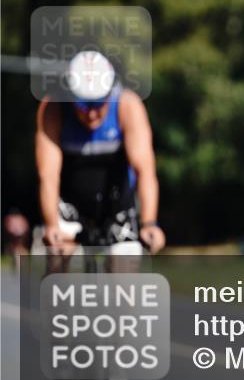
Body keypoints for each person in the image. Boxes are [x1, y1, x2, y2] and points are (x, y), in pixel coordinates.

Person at [35, 51, 165, 258]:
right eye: (83, 106)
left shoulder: (127, 105)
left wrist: (149, 223)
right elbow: (48, 176)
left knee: (125, 271)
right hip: (71, 203)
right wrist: (52, 225)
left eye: (97, 105)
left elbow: (145, 171)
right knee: (58, 259)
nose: (91, 114)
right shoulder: (54, 108)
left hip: (117, 204)